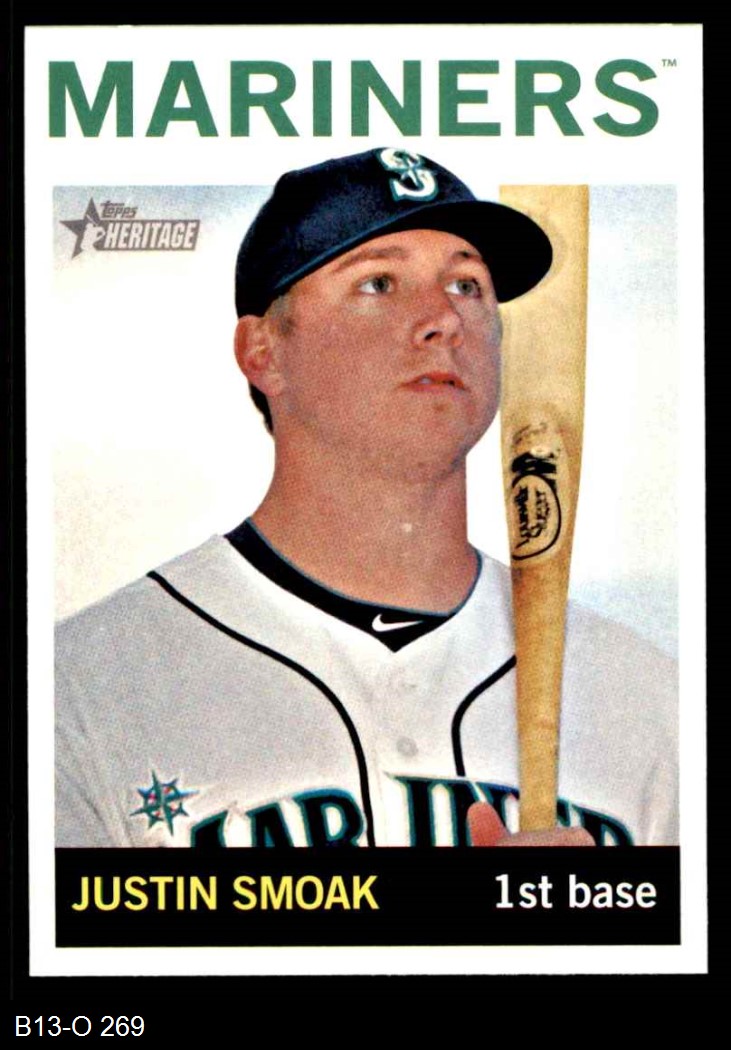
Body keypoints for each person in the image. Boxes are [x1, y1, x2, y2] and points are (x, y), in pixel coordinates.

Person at [55, 148, 676, 849]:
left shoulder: (648, 700)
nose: (444, 318)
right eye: (378, 282)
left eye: (467, 285)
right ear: (263, 351)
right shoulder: (81, 688)